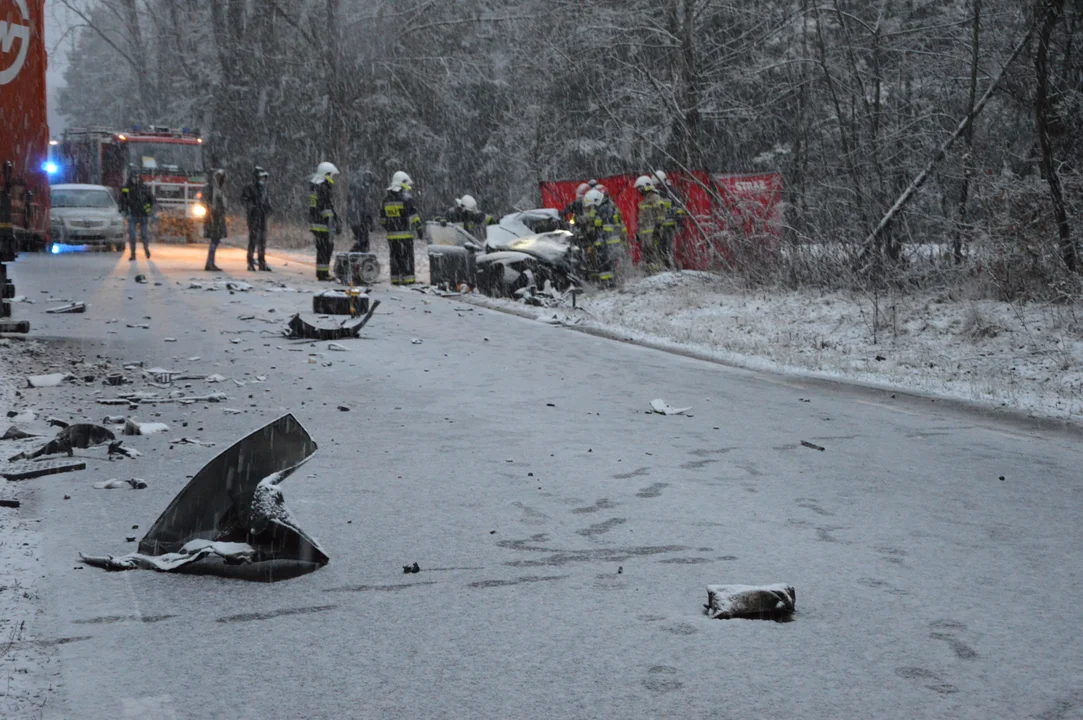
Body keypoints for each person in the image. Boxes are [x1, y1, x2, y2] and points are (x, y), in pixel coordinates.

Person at [380, 171, 423, 285]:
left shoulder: (386, 200)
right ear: (402, 183)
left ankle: (395, 279)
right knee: (406, 258)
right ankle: (408, 280)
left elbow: (382, 220)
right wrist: (419, 228)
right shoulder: (406, 199)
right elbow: (413, 216)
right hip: (405, 236)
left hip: (392, 237)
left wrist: (391, 228)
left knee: (394, 258)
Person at [308, 161, 340, 280]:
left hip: (316, 222)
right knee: (326, 248)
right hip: (323, 223)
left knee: (321, 249)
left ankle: (322, 273)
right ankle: (323, 274)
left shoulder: (315, 186)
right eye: (332, 175)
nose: (332, 178)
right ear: (327, 174)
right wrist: (333, 220)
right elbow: (325, 207)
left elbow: (317, 206)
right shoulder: (323, 187)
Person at [240, 166, 272, 271]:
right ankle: (250, 262)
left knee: (262, 240)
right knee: (253, 239)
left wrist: (268, 208)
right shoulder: (249, 188)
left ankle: (261, 261)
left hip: (262, 216)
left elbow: (267, 201)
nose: (262, 180)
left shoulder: (264, 188)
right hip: (253, 217)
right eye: (260, 177)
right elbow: (244, 201)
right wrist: (253, 207)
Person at [119, 169, 155, 261]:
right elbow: (122, 199)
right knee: (132, 236)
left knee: (144, 235)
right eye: (134, 177)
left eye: (137, 177)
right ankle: (133, 253)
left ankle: (146, 249)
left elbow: (152, 200)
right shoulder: (127, 187)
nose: (135, 179)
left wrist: (148, 209)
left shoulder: (144, 188)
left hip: (142, 215)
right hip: (133, 214)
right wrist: (123, 208)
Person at [653, 170, 685, 269]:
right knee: (661, 248)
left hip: (669, 226)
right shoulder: (658, 193)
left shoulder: (672, 192)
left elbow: (679, 209)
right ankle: (666, 267)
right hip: (660, 226)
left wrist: (679, 223)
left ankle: (670, 267)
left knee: (666, 248)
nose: (657, 187)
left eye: (658, 184)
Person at [635, 174, 667, 272]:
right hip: (646, 236)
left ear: (646, 186)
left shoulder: (655, 197)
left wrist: (658, 226)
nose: (639, 191)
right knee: (647, 256)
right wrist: (639, 233)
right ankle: (650, 273)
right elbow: (643, 220)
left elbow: (662, 212)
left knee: (655, 254)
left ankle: (657, 273)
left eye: (640, 188)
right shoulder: (645, 200)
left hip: (653, 234)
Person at [202, 168, 228, 272]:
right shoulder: (212, 189)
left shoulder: (217, 189)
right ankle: (210, 263)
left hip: (217, 218)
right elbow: (208, 203)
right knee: (214, 240)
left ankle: (210, 262)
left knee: (215, 241)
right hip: (214, 218)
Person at [347, 170, 376, 253]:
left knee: (361, 242)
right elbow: (365, 208)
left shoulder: (355, 190)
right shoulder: (363, 191)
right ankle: (358, 260)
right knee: (364, 244)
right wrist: (370, 221)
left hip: (354, 220)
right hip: (360, 220)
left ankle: (354, 257)